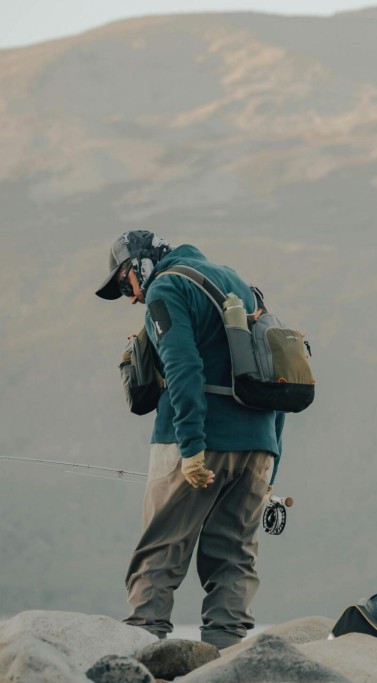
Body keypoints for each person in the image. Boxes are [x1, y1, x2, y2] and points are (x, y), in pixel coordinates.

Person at [96, 230, 284, 649]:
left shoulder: (167, 286)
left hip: (197, 444)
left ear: (139, 264)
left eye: (125, 282)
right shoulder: (240, 285)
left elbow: (182, 367)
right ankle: (225, 659)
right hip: (258, 447)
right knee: (234, 557)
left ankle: (144, 656)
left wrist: (192, 448)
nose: (130, 296)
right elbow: (278, 375)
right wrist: (272, 459)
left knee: (160, 550)